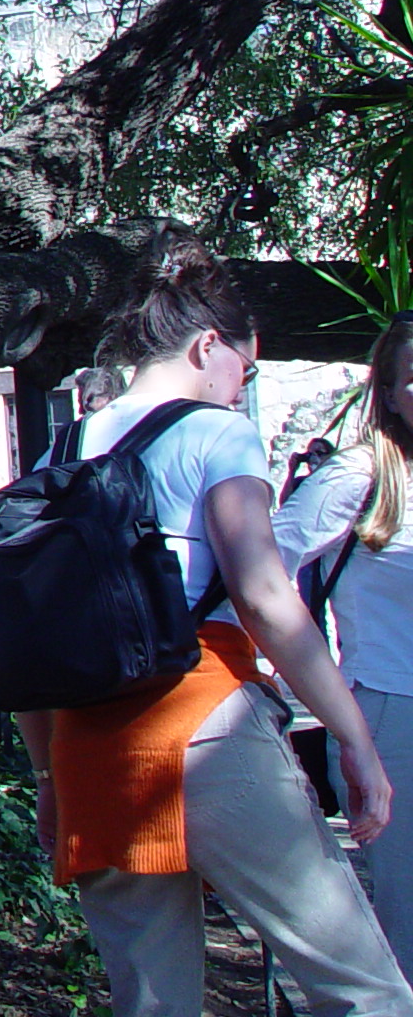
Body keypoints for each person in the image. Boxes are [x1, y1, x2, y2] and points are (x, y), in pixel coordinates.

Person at [16, 229, 410, 1017]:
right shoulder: (219, 434)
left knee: (153, 1005)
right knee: (366, 991)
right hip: (206, 730)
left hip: (94, 753)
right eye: (245, 367)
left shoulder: (60, 449)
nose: (242, 385)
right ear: (205, 348)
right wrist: (355, 741)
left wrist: (49, 775)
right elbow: (266, 598)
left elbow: (26, 638)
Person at [276, 312, 413, 974]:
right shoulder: (358, 479)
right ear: (388, 392)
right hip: (393, 714)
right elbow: (259, 573)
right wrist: (307, 683)